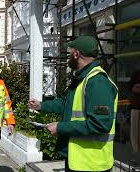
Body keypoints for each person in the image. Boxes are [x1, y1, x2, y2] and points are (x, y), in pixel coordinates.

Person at [29, 36, 118, 172]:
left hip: (91, 164)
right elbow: (66, 103)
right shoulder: (82, 79)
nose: (68, 57)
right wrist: (41, 106)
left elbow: (100, 123)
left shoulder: (97, 82)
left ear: (77, 54)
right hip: (78, 160)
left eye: (70, 52)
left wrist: (61, 128)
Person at [129, 70, 140, 152]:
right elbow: (130, 87)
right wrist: (134, 88)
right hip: (136, 108)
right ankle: (136, 153)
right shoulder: (137, 73)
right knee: (135, 134)